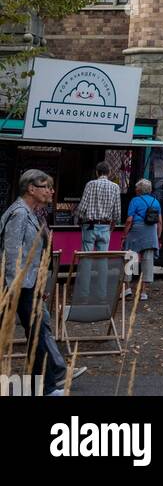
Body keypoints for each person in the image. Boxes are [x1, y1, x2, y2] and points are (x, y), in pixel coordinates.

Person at [0, 170, 81, 396]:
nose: (51, 191)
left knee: (38, 338)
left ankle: (43, 388)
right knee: (37, 337)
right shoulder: (19, 214)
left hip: (28, 286)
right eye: (46, 186)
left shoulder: (32, 213)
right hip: (18, 288)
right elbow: (12, 254)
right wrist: (18, 290)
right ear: (31, 189)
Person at [121, 178, 162, 303]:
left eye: (136, 188)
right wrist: (158, 236)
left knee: (130, 258)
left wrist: (124, 235)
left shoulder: (135, 200)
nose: (135, 190)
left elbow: (129, 220)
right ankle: (143, 292)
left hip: (136, 231)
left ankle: (127, 288)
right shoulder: (156, 201)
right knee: (147, 261)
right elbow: (160, 222)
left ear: (139, 190)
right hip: (151, 232)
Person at [77, 159, 121, 252]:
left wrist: (79, 220)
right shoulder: (115, 187)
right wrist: (112, 227)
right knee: (102, 258)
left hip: (90, 225)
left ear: (97, 172)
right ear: (109, 173)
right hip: (105, 226)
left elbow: (82, 208)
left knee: (86, 256)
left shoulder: (90, 184)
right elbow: (117, 213)